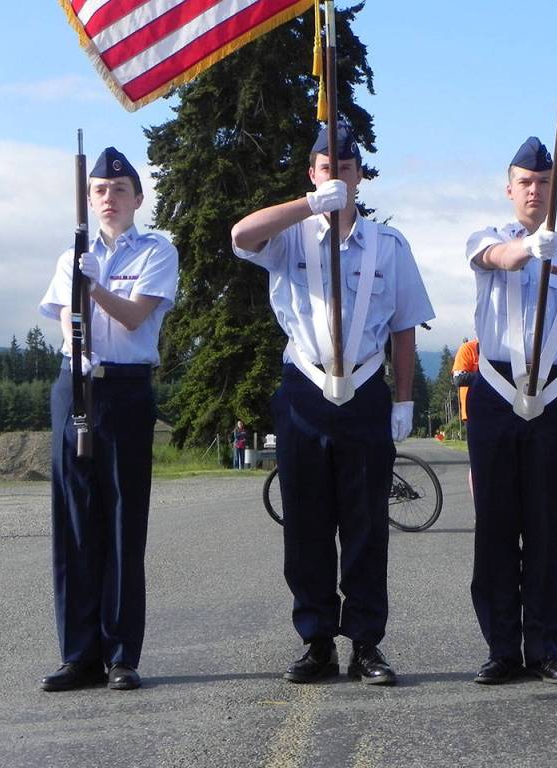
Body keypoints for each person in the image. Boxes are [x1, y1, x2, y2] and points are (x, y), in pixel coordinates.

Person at [231, 122, 434, 686]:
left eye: (345, 169)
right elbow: (241, 236)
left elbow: (404, 329)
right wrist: (306, 205)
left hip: (366, 388)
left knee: (367, 523)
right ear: (312, 175)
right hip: (304, 388)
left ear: (359, 176)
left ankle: (367, 642)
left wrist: (404, 399)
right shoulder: (290, 237)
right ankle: (316, 638)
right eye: (326, 169)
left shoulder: (388, 246)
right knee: (307, 524)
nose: (337, 177)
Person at [464, 136, 557, 686]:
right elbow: (496, 258)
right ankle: (502, 648)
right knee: (496, 528)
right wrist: (529, 249)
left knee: (546, 530)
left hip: (553, 400)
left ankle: (546, 646)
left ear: (554, 190)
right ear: (509, 189)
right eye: (525, 182)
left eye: (544, 182)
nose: (534, 190)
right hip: (497, 396)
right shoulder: (487, 239)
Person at [38, 147, 178, 692]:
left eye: (119, 190)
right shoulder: (70, 253)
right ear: (89, 199)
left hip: (123, 389)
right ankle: (78, 655)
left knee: (122, 520)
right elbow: (60, 319)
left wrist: (93, 286)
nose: (109, 198)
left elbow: (136, 314)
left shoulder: (156, 251)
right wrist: (77, 344)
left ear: (137, 199)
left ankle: (121, 654)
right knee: (75, 520)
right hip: (76, 384)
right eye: (99, 190)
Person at [452, 339, 480, 424]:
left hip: (501, 411)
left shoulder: (503, 350)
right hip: (473, 413)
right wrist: (487, 376)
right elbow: (458, 379)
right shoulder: (468, 348)